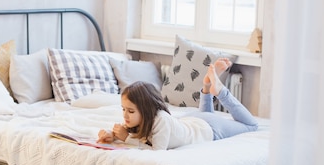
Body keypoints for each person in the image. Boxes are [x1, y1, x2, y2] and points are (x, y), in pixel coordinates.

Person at [97, 58, 259, 150]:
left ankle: (220, 91)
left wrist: (126, 139)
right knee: (208, 114)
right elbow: (133, 135)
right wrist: (112, 135)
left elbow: (157, 151)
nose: (125, 115)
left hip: (210, 129)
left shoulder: (161, 120)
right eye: (124, 109)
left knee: (251, 126)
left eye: (130, 111)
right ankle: (207, 87)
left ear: (145, 109)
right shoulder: (141, 119)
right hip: (194, 121)